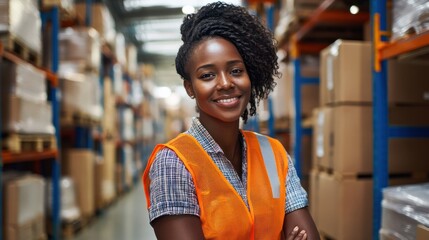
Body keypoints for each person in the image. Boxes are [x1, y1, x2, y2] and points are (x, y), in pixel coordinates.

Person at [142, 2, 320, 239]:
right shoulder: (174, 163)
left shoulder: (273, 153)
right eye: (207, 75)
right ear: (190, 88)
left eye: (236, 71)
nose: (226, 83)